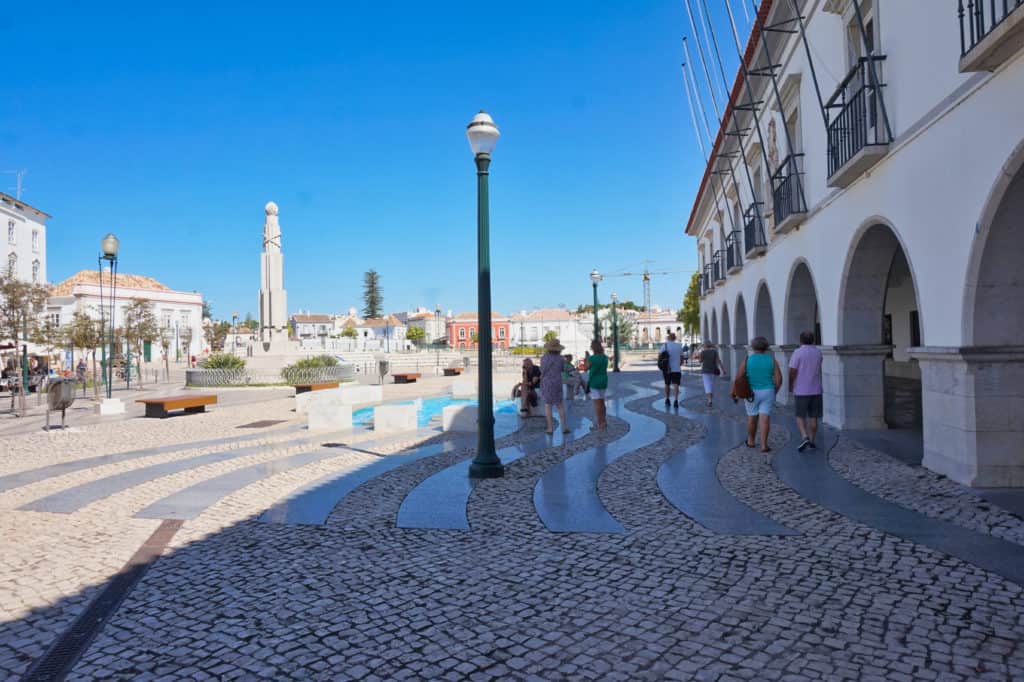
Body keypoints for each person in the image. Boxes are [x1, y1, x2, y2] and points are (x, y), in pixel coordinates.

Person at [735, 336, 783, 453]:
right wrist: (775, 390)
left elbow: (739, 377)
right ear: (766, 347)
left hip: (751, 393)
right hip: (768, 391)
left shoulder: (748, 360)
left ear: (753, 347)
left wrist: (737, 392)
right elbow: (779, 378)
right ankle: (764, 445)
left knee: (752, 418)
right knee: (765, 418)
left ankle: (751, 441)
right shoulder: (771, 360)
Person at [789, 330, 824, 451]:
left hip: (801, 389)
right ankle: (813, 440)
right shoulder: (818, 352)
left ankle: (804, 436)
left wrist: (790, 384)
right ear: (813, 340)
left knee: (800, 415)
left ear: (800, 340)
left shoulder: (798, 352)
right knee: (814, 416)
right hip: (816, 389)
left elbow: (793, 370)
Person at [540, 339, 570, 434]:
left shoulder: (544, 358)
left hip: (547, 382)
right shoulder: (561, 358)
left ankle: (550, 428)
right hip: (557, 382)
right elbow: (562, 370)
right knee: (560, 405)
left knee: (548, 406)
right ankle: (564, 427)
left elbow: (542, 370)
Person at [583, 340, 609, 429]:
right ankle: (604, 421)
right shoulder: (605, 357)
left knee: (597, 404)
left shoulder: (592, 358)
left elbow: (585, 368)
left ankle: (599, 423)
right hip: (604, 381)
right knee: (602, 402)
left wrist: (585, 360)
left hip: (594, 382)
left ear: (593, 348)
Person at [660, 332, 684, 407]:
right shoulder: (679, 346)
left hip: (667, 369)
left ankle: (667, 399)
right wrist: (678, 365)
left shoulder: (664, 346)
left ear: (668, 338)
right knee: (676, 384)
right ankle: (676, 400)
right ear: (675, 338)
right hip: (676, 369)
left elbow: (659, 357)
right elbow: (682, 358)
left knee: (667, 384)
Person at [699, 342, 726, 407]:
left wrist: (701, 358)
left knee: (707, 385)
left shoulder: (703, 352)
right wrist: (723, 369)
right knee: (711, 384)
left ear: (705, 346)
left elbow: (700, 361)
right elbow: (718, 361)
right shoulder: (714, 352)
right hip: (713, 370)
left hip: (705, 371)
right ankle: (710, 396)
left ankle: (710, 399)